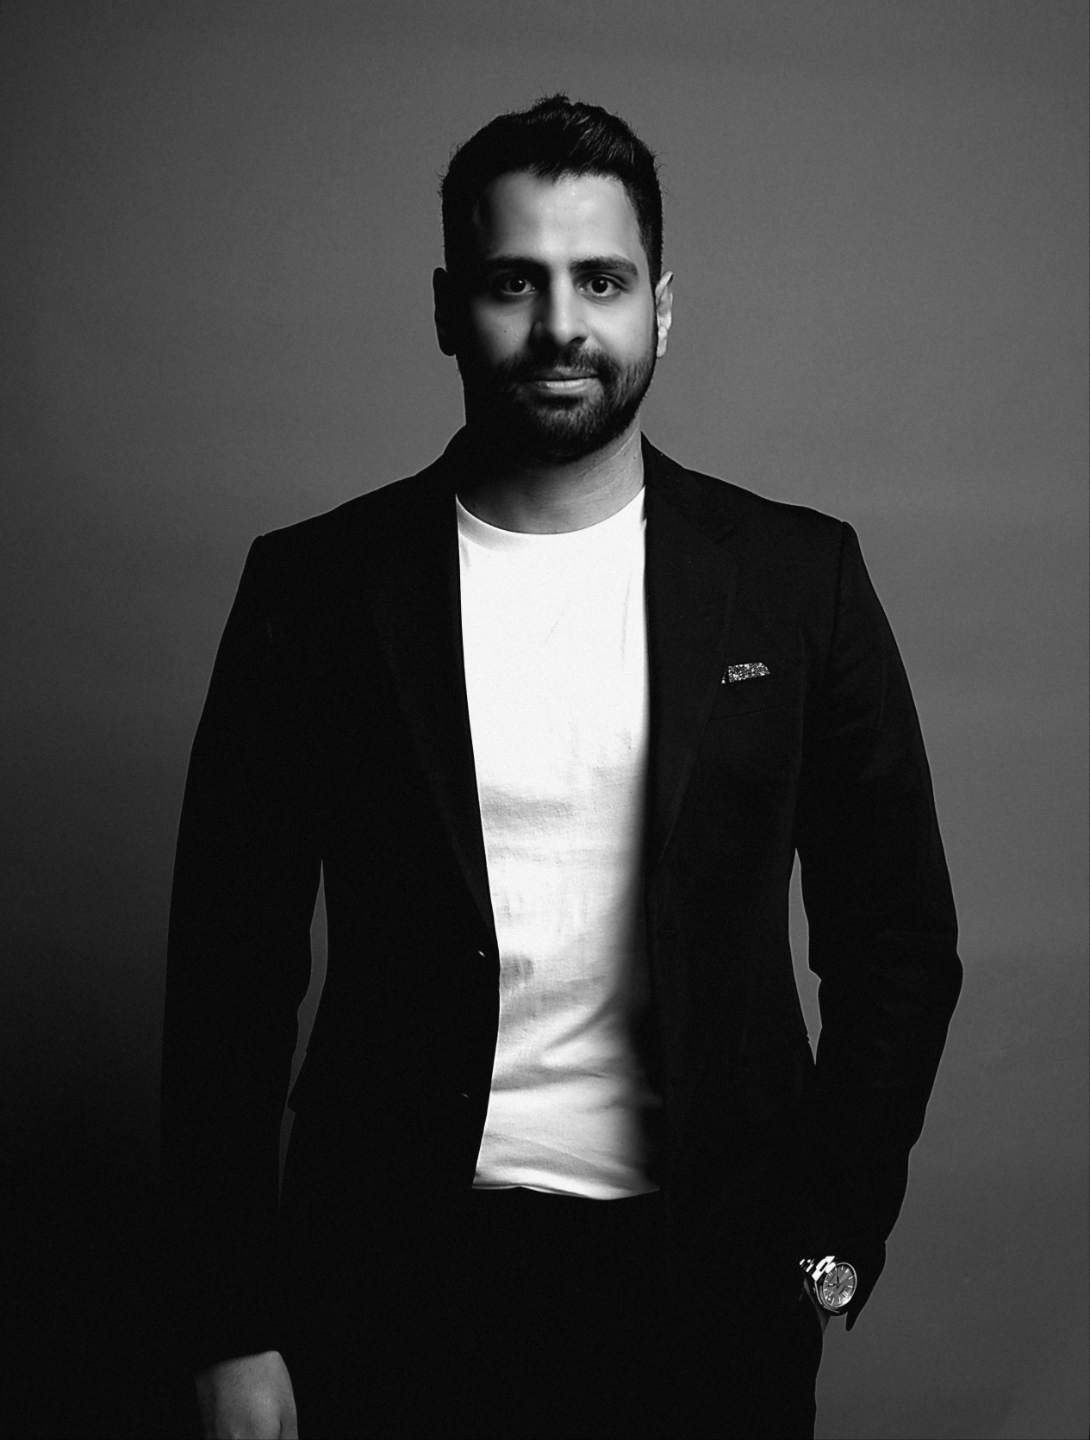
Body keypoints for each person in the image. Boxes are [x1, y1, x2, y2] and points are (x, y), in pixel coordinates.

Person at [161, 94, 962, 1439]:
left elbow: (898, 942)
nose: (558, 327)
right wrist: (227, 1320)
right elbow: (226, 979)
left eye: (601, 280)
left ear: (662, 307)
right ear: (446, 309)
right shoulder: (315, 590)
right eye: (511, 282)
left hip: (711, 1281)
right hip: (392, 1278)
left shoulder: (794, 579)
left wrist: (831, 1230)